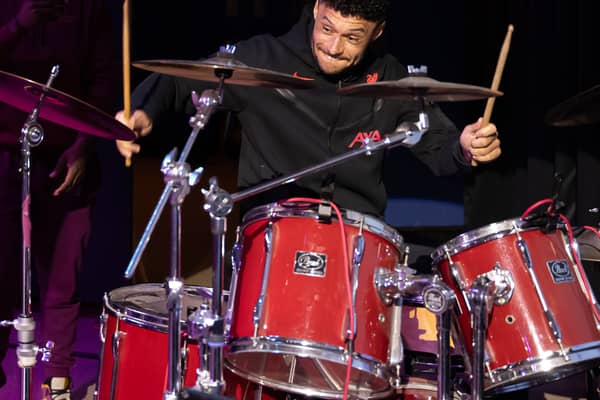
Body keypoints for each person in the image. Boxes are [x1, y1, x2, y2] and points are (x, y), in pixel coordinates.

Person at [116, 0, 500, 222]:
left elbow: (437, 143)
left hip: (357, 240)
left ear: (377, 32)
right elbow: (180, 81)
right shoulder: (263, 59)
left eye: (352, 37)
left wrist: (465, 147)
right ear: (316, 7)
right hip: (269, 230)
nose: (333, 47)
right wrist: (143, 112)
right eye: (326, 28)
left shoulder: (390, 78)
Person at [0, 1, 116, 399]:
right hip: (5, 158)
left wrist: (83, 147)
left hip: (68, 161)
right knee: (0, 279)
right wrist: (21, 23)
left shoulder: (90, 12)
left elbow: (103, 85)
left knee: (62, 283)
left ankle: (57, 384)